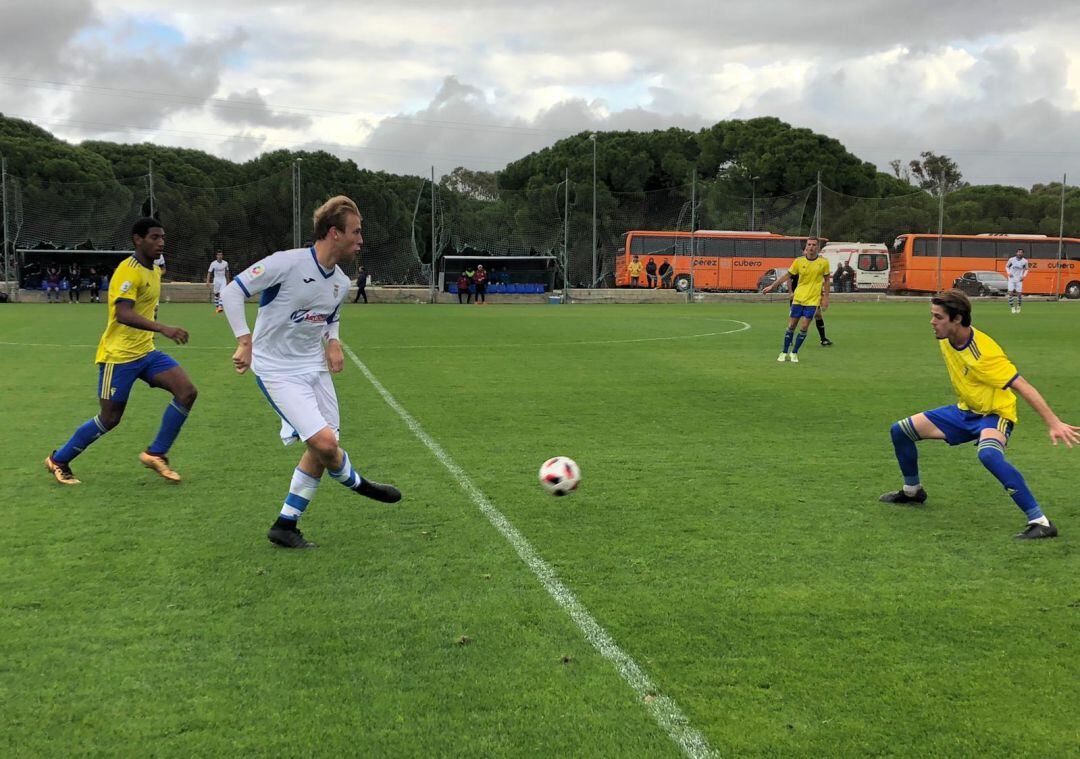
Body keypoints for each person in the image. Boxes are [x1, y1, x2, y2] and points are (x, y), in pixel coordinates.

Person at [221, 195, 401, 550]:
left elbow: (331, 315)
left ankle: (285, 524)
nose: (361, 240)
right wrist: (245, 340)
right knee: (324, 444)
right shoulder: (285, 264)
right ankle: (357, 483)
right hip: (277, 371)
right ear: (334, 233)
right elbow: (231, 292)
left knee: (323, 448)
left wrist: (333, 341)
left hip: (314, 369)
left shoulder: (341, 282)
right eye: (356, 231)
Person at [880, 289, 1078, 539]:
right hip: (965, 411)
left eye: (938, 317)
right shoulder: (946, 337)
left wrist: (1053, 422)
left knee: (988, 455)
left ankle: (1041, 522)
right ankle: (912, 491)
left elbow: (1022, 385)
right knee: (900, 431)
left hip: (996, 414)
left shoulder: (985, 354)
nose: (932, 322)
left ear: (957, 319)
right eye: (932, 315)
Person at [44, 218, 198, 486]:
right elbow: (123, 313)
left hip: (146, 353)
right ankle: (58, 460)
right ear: (138, 239)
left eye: (162, 237)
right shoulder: (128, 272)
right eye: (154, 237)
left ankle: (156, 453)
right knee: (109, 418)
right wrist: (163, 328)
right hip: (118, 357)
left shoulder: (154, 270)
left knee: (187, 392)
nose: (161, 242)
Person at [763, 238, 831, 360]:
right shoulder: (798, 261)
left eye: (814, 245)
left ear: (818, 248)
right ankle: (783, 352)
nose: (811, 247)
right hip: (798, 298)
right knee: (792, 326)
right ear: (806, 247)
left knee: (804, 326)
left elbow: (826, 280)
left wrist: (826, 297)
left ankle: (794, 353)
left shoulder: (823, 263)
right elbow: (787, 276)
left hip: (813, 300)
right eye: (809, 244)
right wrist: (772, 286)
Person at [1005, 247, 1028, 314]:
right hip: (1011, 279)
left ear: (1023, 253)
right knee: (1010, 293)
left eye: (1021, 252)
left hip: (1019, 279)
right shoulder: (1011, 259)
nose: (1019, 253)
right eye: (1018, 252)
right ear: (1016, 253)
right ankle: (1012, 307)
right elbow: (1006, 266)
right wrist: (1009, 273)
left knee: (1019, 294)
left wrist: (1023, 276)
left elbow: (1026, 269)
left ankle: (1018, 306)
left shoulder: (1025, 261)